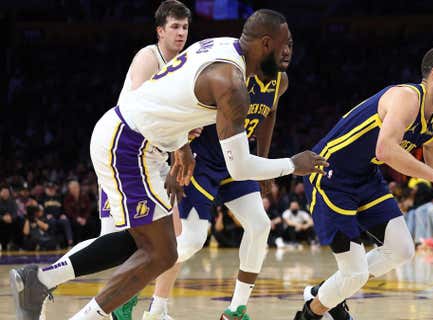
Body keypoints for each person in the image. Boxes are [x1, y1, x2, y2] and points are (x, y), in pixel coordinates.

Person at [10, 9, 326, 320]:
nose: (289, 53)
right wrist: (292, 164)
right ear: (266, 44)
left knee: (152, 246)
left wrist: (181, 147)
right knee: (161, 252)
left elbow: (172, 95)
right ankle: (56, 293)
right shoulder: (232, 84)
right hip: (129, 145)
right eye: (285, 44)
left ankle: (39, 282)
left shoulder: (226, 47)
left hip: (141, 142)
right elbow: (240, 166)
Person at [294, 47, 433, 320]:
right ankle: (311, 314)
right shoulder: (406, 97)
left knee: (402, 250)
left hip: (366, 178)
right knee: (353, 274)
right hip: (330, 175)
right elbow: (386, 150)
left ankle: (326, 292)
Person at [33, 2, 193, 319]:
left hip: (154, 162)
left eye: (185, 28)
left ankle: (144, 307)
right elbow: (139, 106)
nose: (181, 33)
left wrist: (182, 141)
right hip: (125, 154)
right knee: (120, 242)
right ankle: (45, 280)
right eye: (175, 27)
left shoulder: (183, 66)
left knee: (165, 240)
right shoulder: (149, 58)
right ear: (160, 30)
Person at [153, 38, 291, 319]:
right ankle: (136, 290)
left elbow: (270, 114)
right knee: (191, 241)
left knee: (260, 224)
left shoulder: (282, 82)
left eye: (290, 44)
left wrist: (263, 157)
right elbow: (187, 104)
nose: (286, 50)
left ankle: (235, 310)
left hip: (237, 160)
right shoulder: (235, 74)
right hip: (202, 160)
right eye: (281, 45)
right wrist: (182, 149)